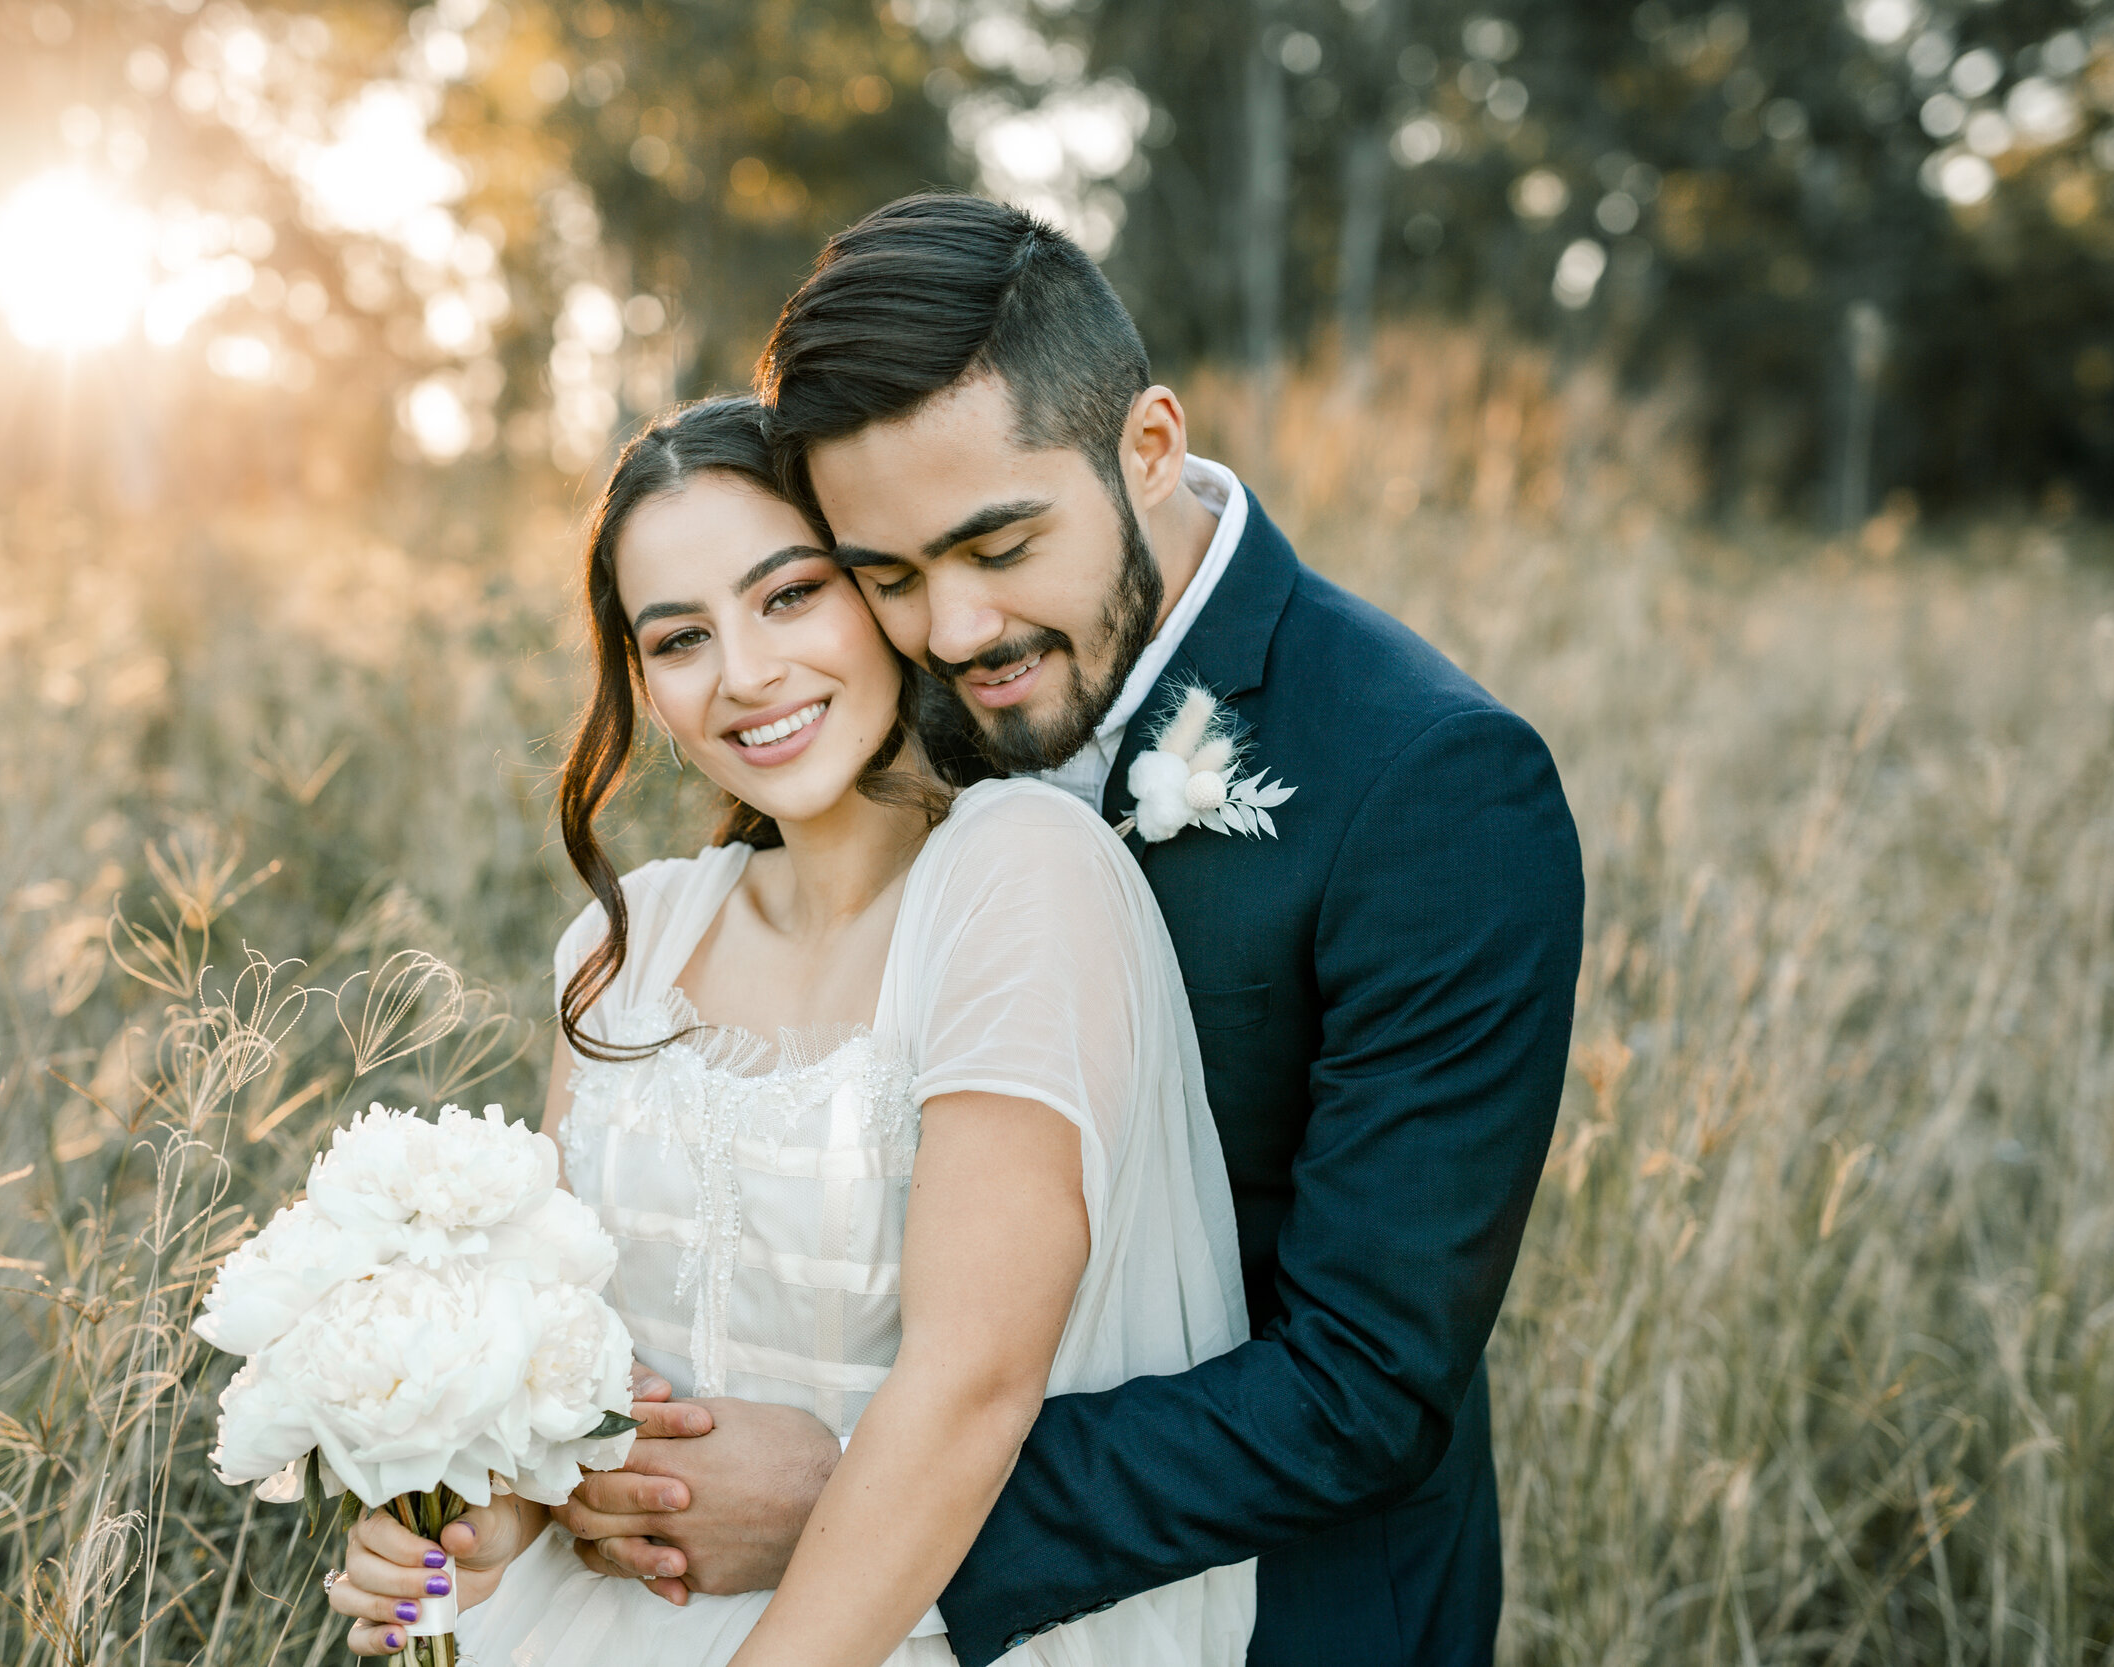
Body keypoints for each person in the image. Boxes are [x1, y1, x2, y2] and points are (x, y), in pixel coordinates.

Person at [545, 196, 1585, 1665]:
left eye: (1000, 544)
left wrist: (853, 1491)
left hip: (1286, 1606)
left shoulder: (1434, 785)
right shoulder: (889, 709)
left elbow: (1365, 1386)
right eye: (887, 574)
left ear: (1147, 448)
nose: (957, 630)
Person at [325, 394, 1257, 1665]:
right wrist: (479, 1521)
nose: (746, 675)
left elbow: (973, 1384)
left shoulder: (1014, 876)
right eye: (680, 638)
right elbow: (556, 1366)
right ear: (642, 681)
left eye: (787, 596)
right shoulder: (624, 946)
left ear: (879, 591)